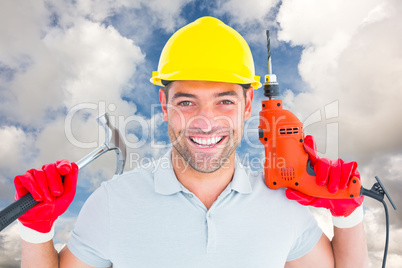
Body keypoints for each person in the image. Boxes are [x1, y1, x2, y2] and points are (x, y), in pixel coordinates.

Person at [15, 16, 368, 267]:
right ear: (164, 106)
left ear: (248, 108)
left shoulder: (284, 204)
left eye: (224, 101)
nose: (205, 120)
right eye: (186, 102)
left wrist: (347, 213)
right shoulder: (112, 202)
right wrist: (36, 230)